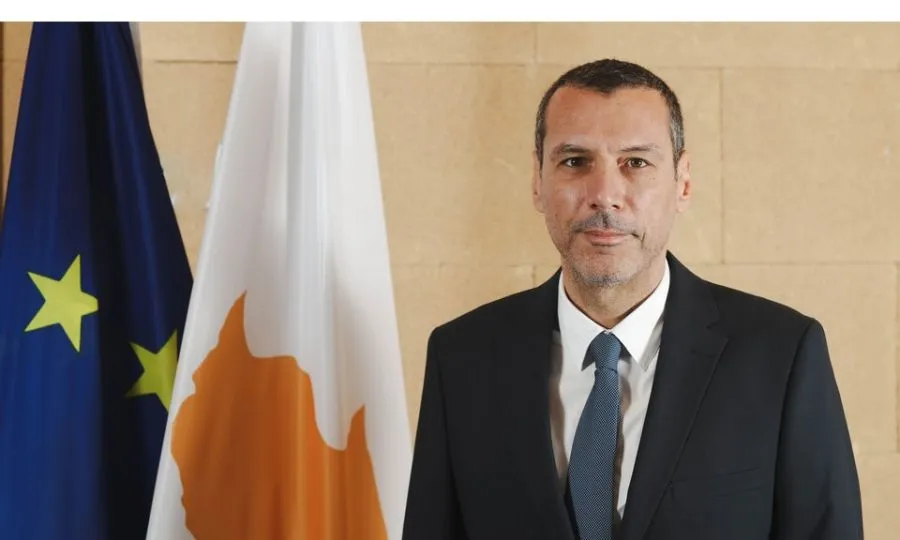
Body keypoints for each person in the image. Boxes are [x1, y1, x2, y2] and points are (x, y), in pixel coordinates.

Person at [400, 58, 864, 540]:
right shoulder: (462, 357)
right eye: (575, 161)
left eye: (636, 162)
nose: (605, 194)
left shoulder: (782, 354)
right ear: (538, 181)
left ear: (683, 183)